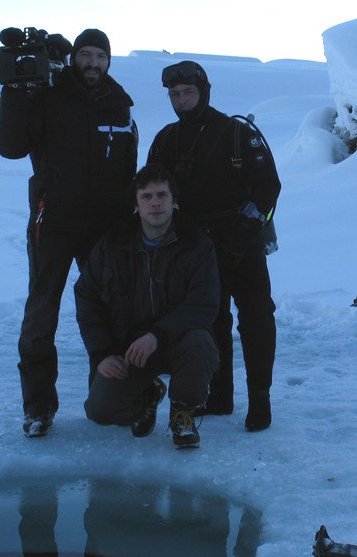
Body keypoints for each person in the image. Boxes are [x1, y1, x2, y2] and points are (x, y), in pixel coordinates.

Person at [0, 29, 138, 437]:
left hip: (104, 227)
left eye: (101, 56)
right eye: (86, 55)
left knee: (111, 312)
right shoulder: (49, 95)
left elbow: (129, 168)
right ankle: (38, 408)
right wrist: (17, 92)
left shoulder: (119, 103)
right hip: (53, 221)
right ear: (74, 57)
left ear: (109, 61)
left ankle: (108, 399)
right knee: (42, 315)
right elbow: (11, 146)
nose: (93, 63)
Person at [147, 61, 281, 432]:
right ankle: (219, 395)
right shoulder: (166, 140)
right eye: (175, 95)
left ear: (204, 92)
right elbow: (153, 191)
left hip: (243, 239)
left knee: (256, 316)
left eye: (188, 93)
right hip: (193, 245)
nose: (182, 100)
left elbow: (268, 187)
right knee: (210, 319)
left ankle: (260, 400)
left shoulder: (237, 133)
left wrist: (242, 233)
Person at [74, 163, 219, 449]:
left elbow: (204, 304)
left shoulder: (197, 244)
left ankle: (183, 413)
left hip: (178, 341)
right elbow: (87, 298)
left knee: (201, 343)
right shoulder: (111, 245)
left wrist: (157, 335)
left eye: (162, 195)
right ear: (136, 204)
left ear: (174, 201)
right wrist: (102, 353)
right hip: (129, 347)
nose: (155, 202)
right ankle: (148, 397)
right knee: (100, 411)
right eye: (147, 196)